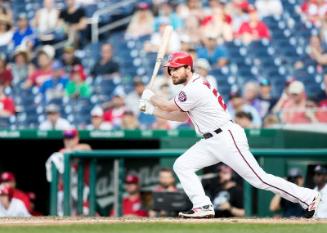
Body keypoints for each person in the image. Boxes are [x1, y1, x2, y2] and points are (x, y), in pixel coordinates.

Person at [139, 51, 320, 218]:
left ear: (188, 68)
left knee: (259, 179)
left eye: (176, 69)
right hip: (210, 140)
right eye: (170, 69)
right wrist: (151, 109)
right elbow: (179, 116)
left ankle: (308, 196)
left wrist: (150, 95)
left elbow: (168, 106)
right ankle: (202, 206)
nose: (172, 73)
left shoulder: (195, 88)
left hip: (225, 137)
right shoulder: (191, 87)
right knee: (182, 165)